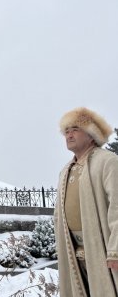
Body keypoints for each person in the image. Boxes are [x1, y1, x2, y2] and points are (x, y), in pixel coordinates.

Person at [55, 107, 118, 296]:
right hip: (74, 251)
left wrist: (115, 251)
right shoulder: (66, 170)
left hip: (102, 246)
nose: (69, 134)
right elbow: (58, 214)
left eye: (75, 129)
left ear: (92, 134)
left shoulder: (108, 161)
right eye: (66, 131)